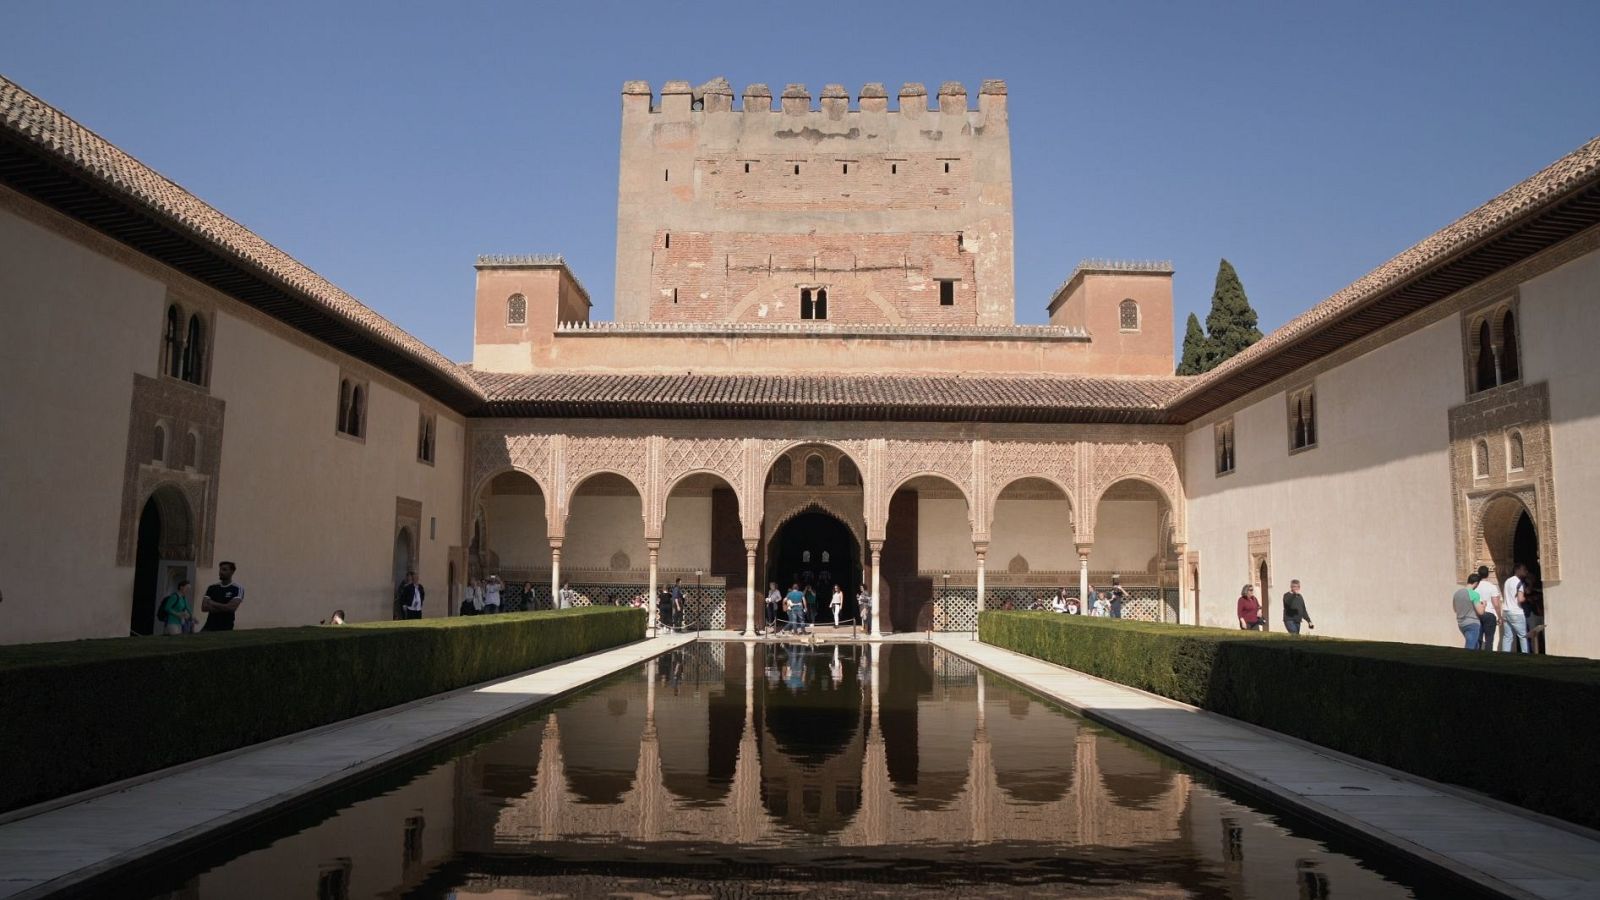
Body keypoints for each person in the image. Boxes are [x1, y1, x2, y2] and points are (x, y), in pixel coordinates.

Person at [201, 561, 244, 632]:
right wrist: (225, 607)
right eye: (220, 569)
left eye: (224, 570)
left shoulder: (237, 588)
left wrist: (212, 603)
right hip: (209, 626)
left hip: (226, 628)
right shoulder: (212, 587)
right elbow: (204, 607)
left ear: (232, 572)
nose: (221, 572)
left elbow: (232, 608)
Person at [1501, 563, 1530, 653]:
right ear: (1517, 570)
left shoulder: (1507, 581)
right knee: (1523, 636)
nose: (1526, 571)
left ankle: (1505, 656)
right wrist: (1527, 598)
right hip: (1516, 612)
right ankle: (1525, 655)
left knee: (1507, 636)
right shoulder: (1519, 583)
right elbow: (1520, 599)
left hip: (1506, 611)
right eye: (1523, 569)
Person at [1454, 573, 1485, 649]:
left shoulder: (1457, 593)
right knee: (1470, 646)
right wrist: (1484, 605)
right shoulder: (1474, 594)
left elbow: (1455, 609)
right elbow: (1480, 612)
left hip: (1461, 623)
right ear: (1476, 583)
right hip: (1472, 623)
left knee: (1475, 645)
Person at [1476, 565, 1501, 651]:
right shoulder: (1492, 587)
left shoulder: (1475, 587)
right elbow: (1496, 604)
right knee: (1489, 640)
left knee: (1478, 639)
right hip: (1490, 614)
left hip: (1478, 613)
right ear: (1488, 574)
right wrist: (1499, 617)